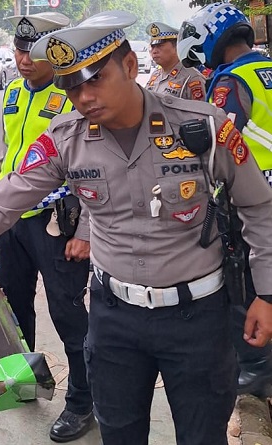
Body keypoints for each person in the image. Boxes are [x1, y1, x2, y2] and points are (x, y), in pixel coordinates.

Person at [0, 10, 272, 445]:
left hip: (198, 319)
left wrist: (266, 294)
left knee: (202, 436)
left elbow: (260, 207)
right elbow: (0, 204)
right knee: (120, 434)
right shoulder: (67, 140)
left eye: (95, 79)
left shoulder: (201, 126)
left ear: (129, 65)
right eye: (72, 86)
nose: (85, 97)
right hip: (115, 321)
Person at [0, 11, 93, 443]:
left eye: (31, 53)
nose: (22, 60)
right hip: (13, 222)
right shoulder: (12, 92)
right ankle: (27, 380)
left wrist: (85, 231)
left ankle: (83, 401)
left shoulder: (74, 97)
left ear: (54, 53)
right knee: (14, 309)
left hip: (58, 222)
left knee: (68, 314)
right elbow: (9, 152)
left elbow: (94, 168)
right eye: (18, 50)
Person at [178, 2, 272, 396]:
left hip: (252, 197)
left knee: (244, 284)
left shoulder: (230, 83)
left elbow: (216, 143)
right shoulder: (265, 69)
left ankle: (256, 367)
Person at [144, 22, 206, 100]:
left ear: (176, 47)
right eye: (153, 47)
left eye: (159, 46)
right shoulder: (155, 74)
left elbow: (199, 107)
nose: (154, 51)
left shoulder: (192, 78)